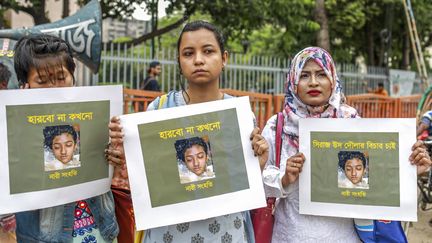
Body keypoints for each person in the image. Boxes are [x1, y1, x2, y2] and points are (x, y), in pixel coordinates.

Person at [106, 20, 269, 243]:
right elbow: (148, 176)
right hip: (169, 234)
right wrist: (127, 153)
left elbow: (240, 181)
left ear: (224, 59)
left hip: (225, 232)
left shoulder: (240, 115)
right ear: (180, 62)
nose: (198, 60)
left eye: (208, 51)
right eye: (188, 53)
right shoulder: (159, 109)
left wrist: (257, 165)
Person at [261, 46, 431, 242]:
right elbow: (259, 183)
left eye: (321, 74)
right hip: (290, 236)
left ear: (333, 79)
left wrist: (410, 169)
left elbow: (371, 176)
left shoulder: (351, 121)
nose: (313, 82)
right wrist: (284, 179)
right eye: (304, 75)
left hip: (344, 237)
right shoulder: (277, 126)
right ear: (293, 81)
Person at [12, 34, 118, 242]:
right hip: (45, 236)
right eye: (42, 81)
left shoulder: (97, 114)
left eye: (61, 78)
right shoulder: (10, 127)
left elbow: (111, 164)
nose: (54, 88)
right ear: (25, 85)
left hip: (99, 228)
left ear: (73, 76)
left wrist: (116, 154)